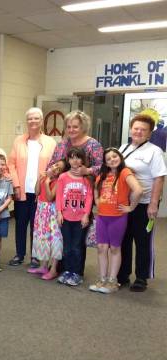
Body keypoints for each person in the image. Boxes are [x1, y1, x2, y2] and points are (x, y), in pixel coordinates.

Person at [117, 114, 167, 292]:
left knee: (143, 240)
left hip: (145, 203)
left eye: (143, 130)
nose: (138, 131)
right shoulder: (123, 148)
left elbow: (159, 179)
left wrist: (154, 204)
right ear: (131, 129)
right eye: (136, 128)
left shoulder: (155, 151)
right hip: (124, 203)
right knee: (123, 239)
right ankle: (122, 274)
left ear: (149, 134)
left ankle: (141, 277)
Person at [89, 148, 142, 294]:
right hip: (102, 217)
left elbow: (138, 190)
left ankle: (112, 281)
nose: (112, 159)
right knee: (101, 248)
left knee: (114, 248)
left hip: (117, 218)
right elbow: (95, 188)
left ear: (120, 157)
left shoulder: (125, 172)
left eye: (115, 156)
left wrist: (131, 207)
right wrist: (97, 201)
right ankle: (102, 279)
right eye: (108, 158)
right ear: (105, 163)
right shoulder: (103, 175)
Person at [7, 108, 56, 267]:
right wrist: (16, 185)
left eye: (36, 118)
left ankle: (36, 256)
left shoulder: (50, 142)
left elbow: (54, 166)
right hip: (22, 191)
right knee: (20, 224)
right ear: (26, 121)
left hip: (40, 193)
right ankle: (19, 254)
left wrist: (48, 183)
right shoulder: (18, 141)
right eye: (30, 119)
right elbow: (11, 164)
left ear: (41, 121)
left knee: (38, 226)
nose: (33, 121)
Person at [56, 148, 93, 287]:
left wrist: (86, 215)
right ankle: (67, 271)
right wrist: (59, 212)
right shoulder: (63, 177)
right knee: (67, 247)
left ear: (82, 160)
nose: (75, 160)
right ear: (68, 160)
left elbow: (89, 198)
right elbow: (59, 196)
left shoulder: (86, 178)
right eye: (72, 158)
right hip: (65, 217)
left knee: (77, 246)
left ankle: (76, 273)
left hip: (80, 219)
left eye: (78, 158)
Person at [30, 159, 65, 281]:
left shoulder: (58, 181)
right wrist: (40, 179)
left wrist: (47, 182)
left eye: (59, 169)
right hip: (41, 209)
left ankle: (54, 269)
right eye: (55, 165)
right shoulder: (45, 177)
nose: (55, 168)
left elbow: (50, 197)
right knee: (42, 237)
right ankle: (43, 266)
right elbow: (37, 192)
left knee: (54, 238)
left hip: (51, 211)